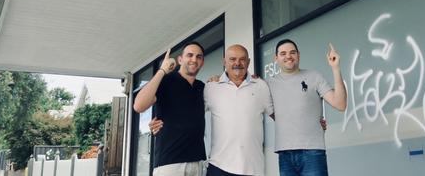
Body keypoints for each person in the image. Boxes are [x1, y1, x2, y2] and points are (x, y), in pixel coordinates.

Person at [150, 44, 274, 176]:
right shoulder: (211, 87)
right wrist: (161, 121)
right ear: (224, 62)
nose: (237, 63)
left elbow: (278, 115)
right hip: (218, 167)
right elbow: (186, 112)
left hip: (253, 169)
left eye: (242, 59)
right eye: (232, 59)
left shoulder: (261, 86)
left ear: (248, 62)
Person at [268, 39, 347, 176]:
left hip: (312, 152)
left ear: (298, 55)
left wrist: (335, 68)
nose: (288, 56)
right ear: (276, 58)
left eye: (292, 52)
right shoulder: (268, 84)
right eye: (283, 53)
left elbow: (340, 104)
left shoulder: (314, 76)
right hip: (284, 154)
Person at [133, 42, 207, 176]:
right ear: (180, 59)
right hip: (170, 165)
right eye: (189, 55)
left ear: (202, 62)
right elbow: (139, 106)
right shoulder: (165, 81)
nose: (194, 59)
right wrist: (162, 70)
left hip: (198, 163)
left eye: (199, 57)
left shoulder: (202, 87)